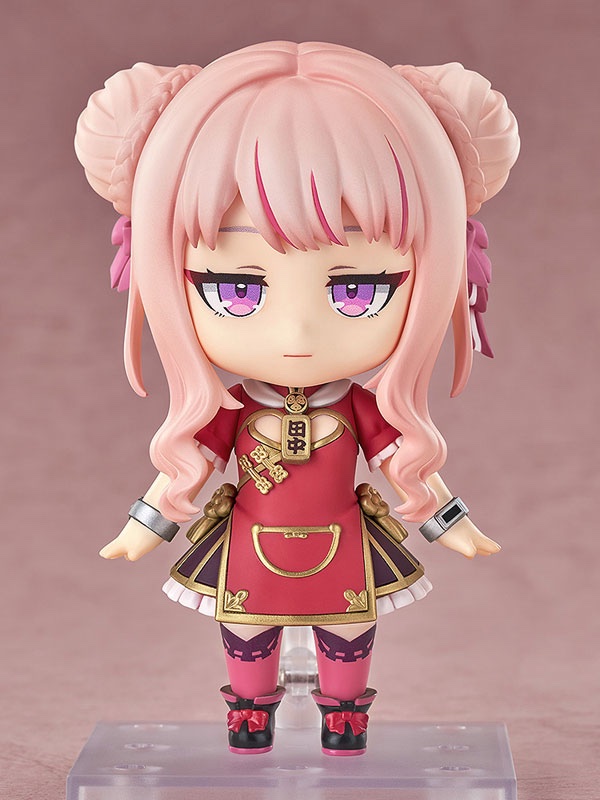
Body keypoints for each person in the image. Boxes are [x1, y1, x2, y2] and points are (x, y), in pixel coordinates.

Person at [75, 41, 519, 755]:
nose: (296, 334)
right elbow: (187, 464)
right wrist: (144, 526)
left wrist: (452, 523)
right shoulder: (231, 412)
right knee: (245, 631)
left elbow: (407, 462)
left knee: (350, 630)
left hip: (343, 548)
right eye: (234, 289)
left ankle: (345, 716)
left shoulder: (360, 410)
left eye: (358, 289)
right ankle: (249, 712)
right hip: (251, 551)